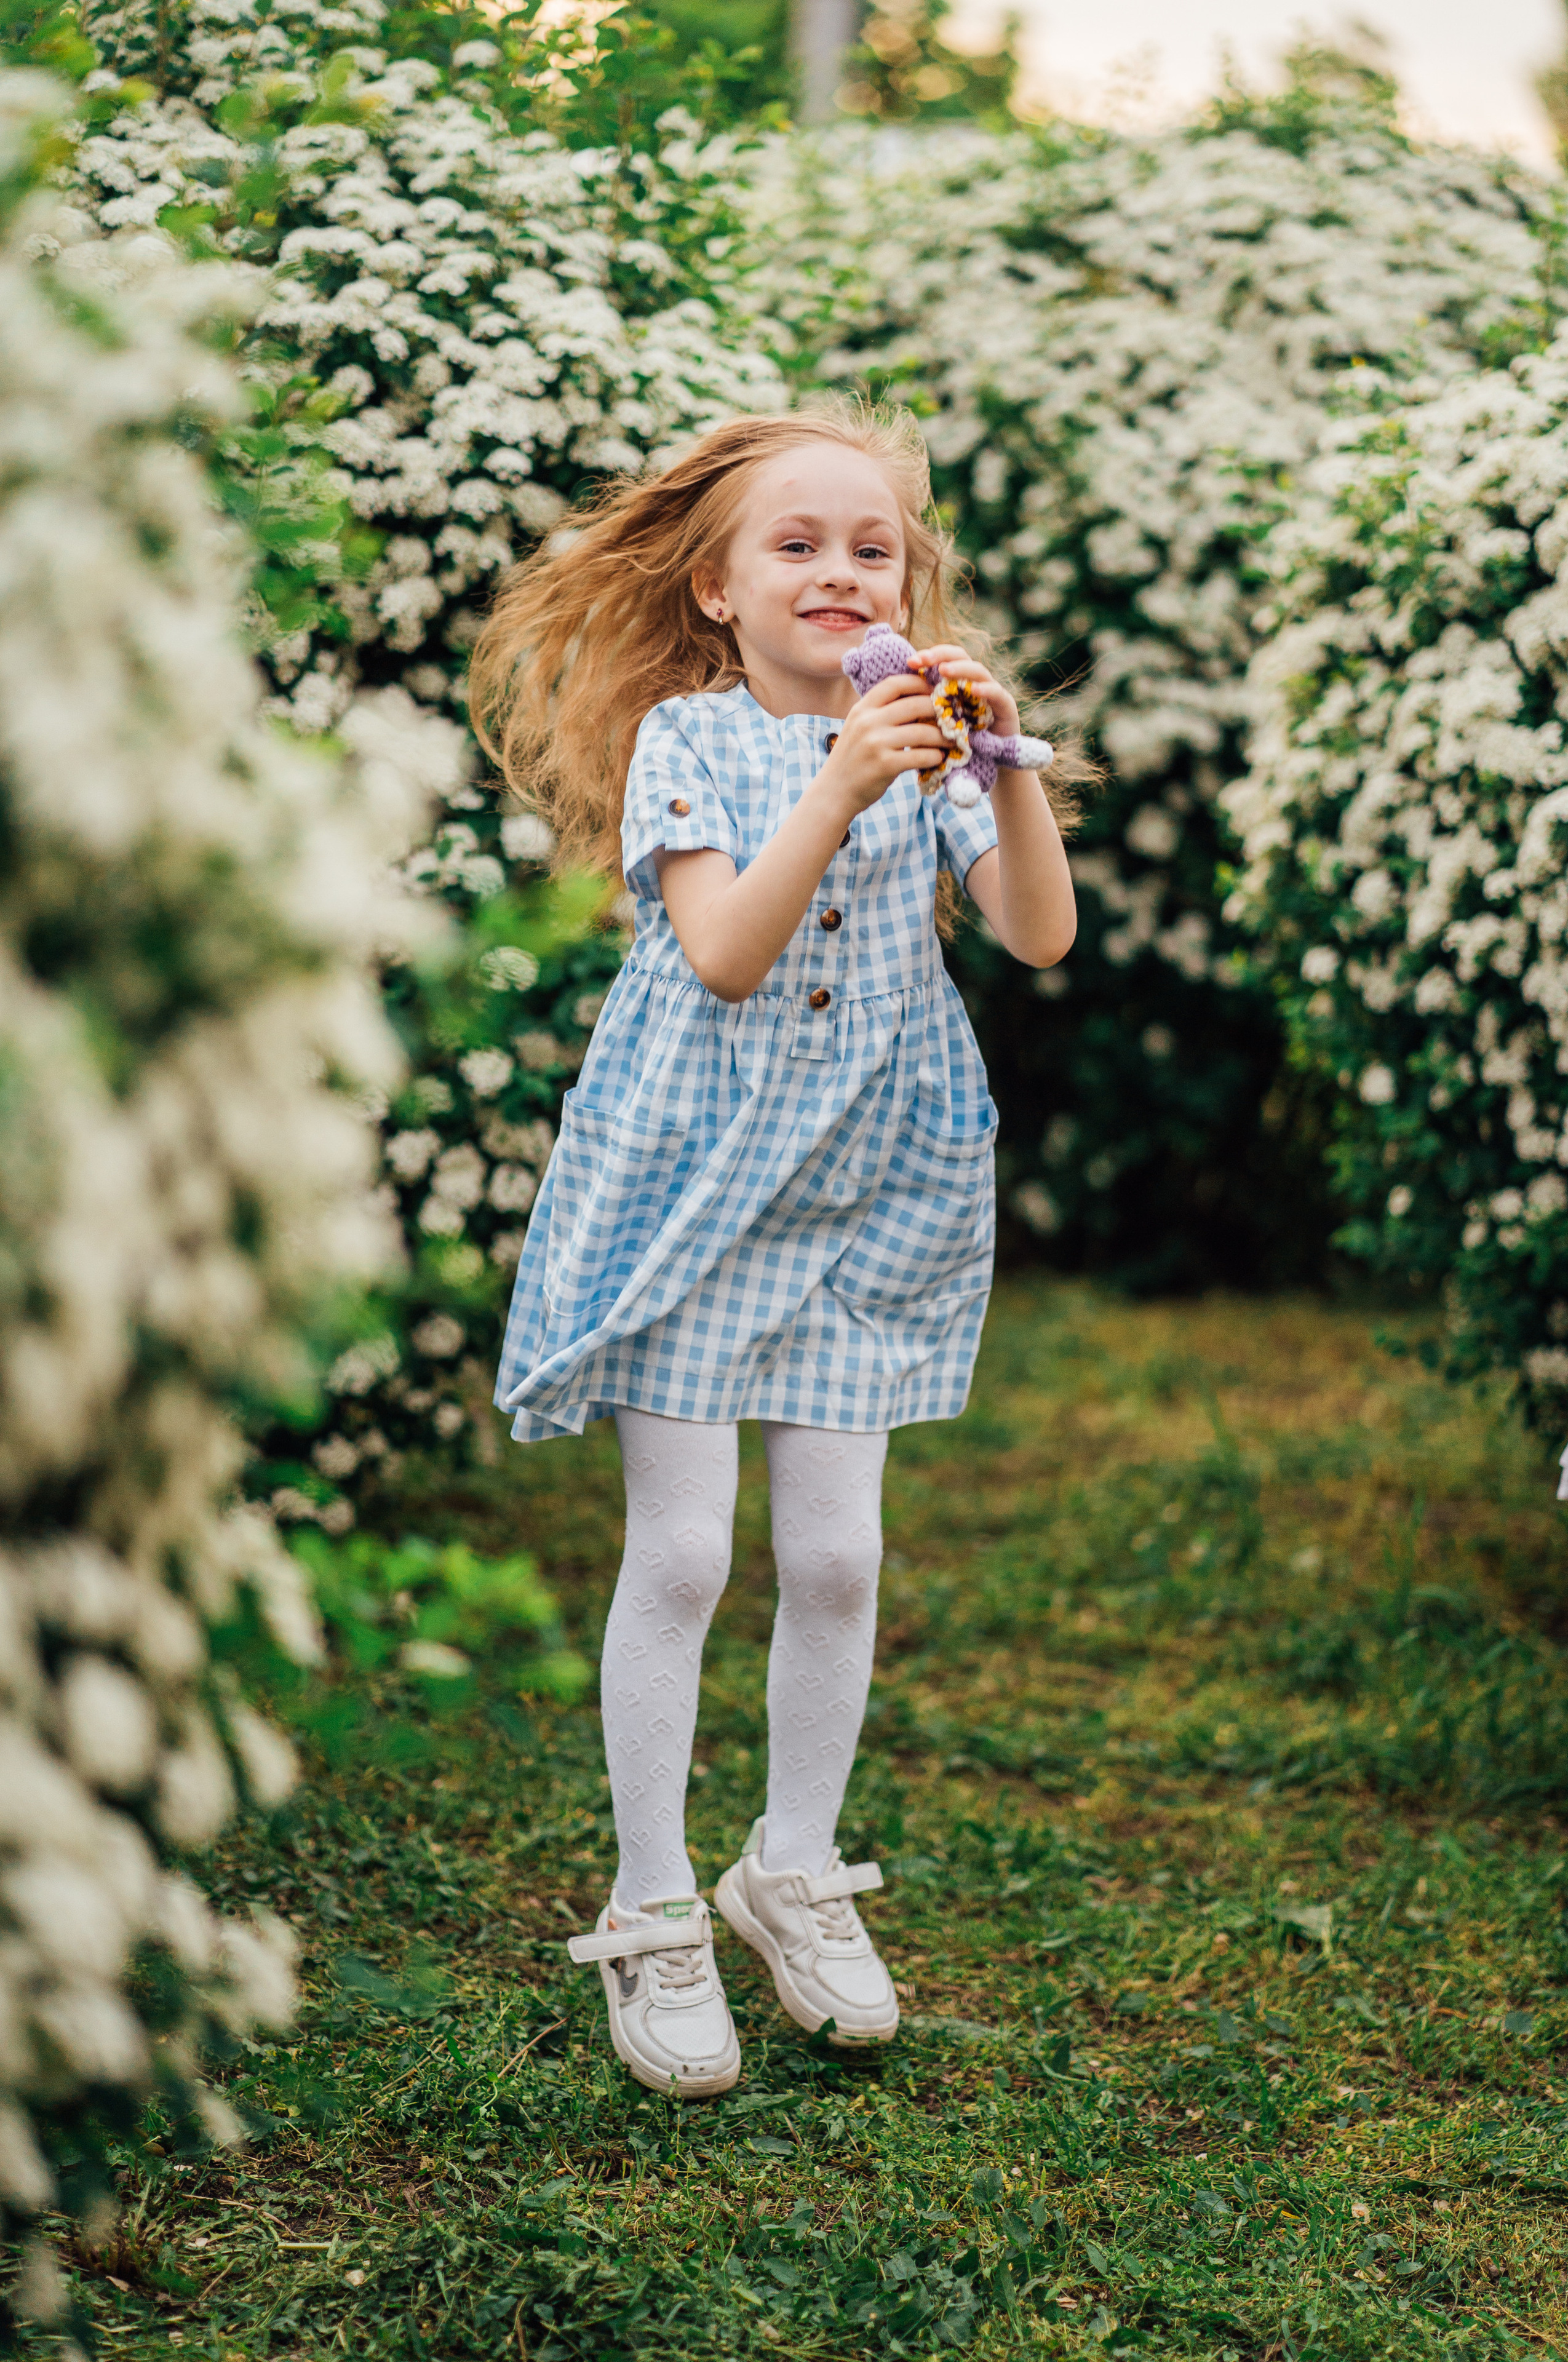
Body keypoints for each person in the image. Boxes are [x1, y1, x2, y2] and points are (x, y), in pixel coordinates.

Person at [468, 402, 1079, 2098]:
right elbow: (728, 949)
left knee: (838, 1561)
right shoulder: (694, 736)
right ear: (721, 589)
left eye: (870, 547)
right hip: (696, 1186)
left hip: (871, 1191)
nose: (839, 572)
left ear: (910, 575)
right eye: (796, 547)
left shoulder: (925, 737)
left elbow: (1039, 933)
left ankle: (789, 1868)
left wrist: (1008, 769)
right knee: (683, 1561)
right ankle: (654, 1901)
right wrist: (846, 776)